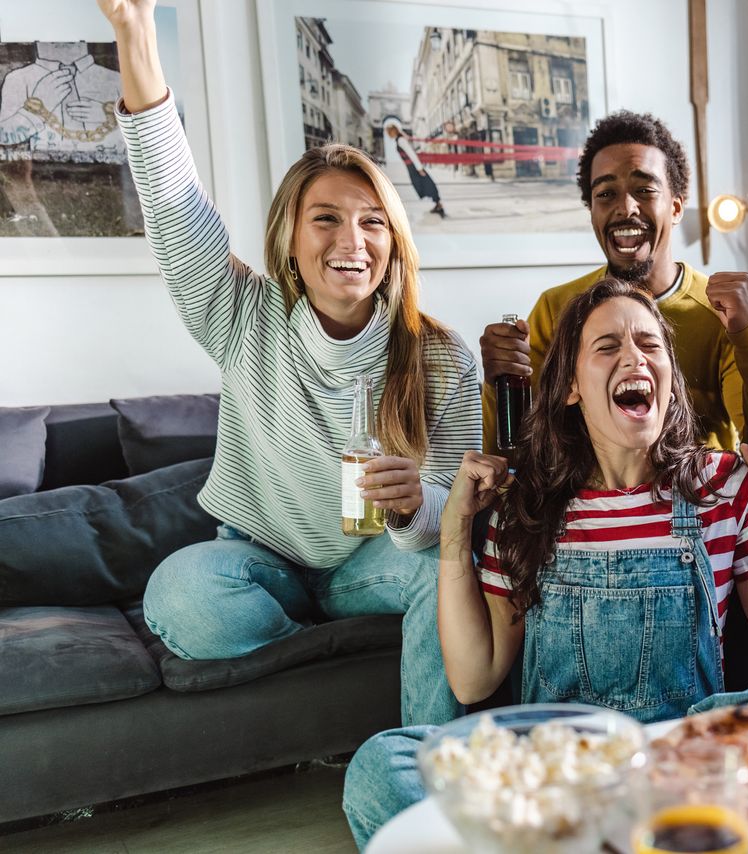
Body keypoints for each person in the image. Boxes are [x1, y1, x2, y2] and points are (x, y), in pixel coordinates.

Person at [341, 278, 748, 849]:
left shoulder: (725, 487)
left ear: (670, 379)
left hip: (675, 768)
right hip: (552, 777)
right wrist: (454, 530)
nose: (635, 357)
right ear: (572, 387)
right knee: (383, 765)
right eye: (607, 347)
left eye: (651, 345)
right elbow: (474, 676)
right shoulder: (526, 506)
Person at [97, 0, 480, 727]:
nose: (353, 240)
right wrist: (135, 29)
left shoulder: (439, 355)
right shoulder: (243, 313)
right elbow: (173, 201)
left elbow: (455, 515)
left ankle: (429, 756)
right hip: (260, 562)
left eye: (373, 222)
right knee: (179, 597)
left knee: (459, 573)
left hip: (374, 563)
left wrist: (411, 503)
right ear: (292, 241)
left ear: (395, 242)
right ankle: (315, 650)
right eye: (327, 218)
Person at [479, 110, 748, 456]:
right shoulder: (555, 308)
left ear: (677, 207)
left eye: (645, 189)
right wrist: (499, 382)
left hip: (700, 500)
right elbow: (513, 457)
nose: (626, 207)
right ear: (591, 211)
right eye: (606, 194)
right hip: (588, 506)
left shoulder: (721, 313)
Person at [384, 119, 445, 218]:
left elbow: (411, 154)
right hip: (411, 166)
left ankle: (439, 205)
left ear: (392, 131)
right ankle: (437, 204)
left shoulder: (400, 140)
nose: (387, 134)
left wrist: (419, 168)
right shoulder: (399, 139)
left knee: (425, 183)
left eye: (388, 132)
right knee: (423, 184)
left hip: (414, 166)